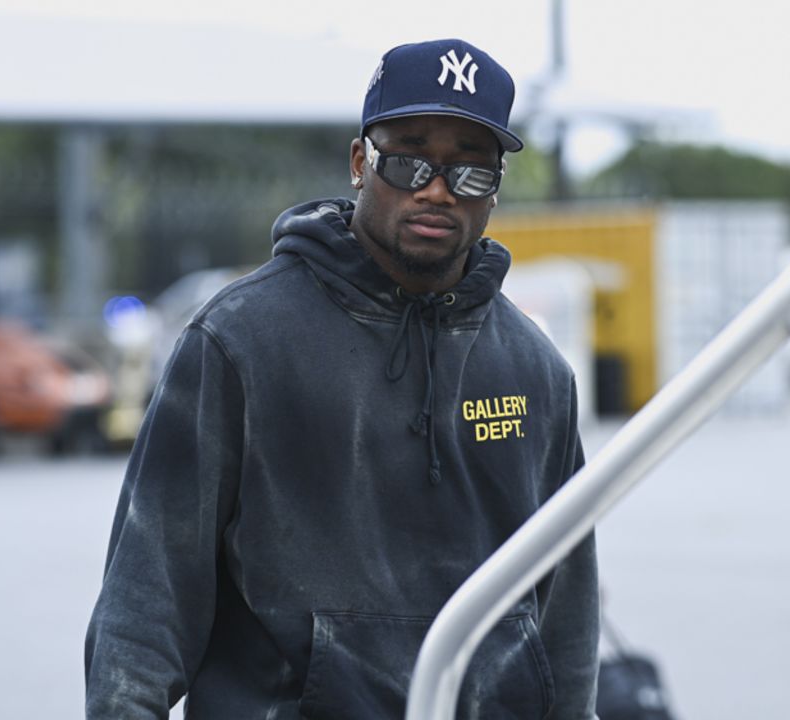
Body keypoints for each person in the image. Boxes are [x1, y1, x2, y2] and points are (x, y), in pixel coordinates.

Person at [84, 38, 599, 720]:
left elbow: (564, 616)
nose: (438, 190)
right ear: (361, 163)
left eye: (470, 172)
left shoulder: (536, 371)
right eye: (410, 160)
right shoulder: (240, 341)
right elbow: (145, 602)